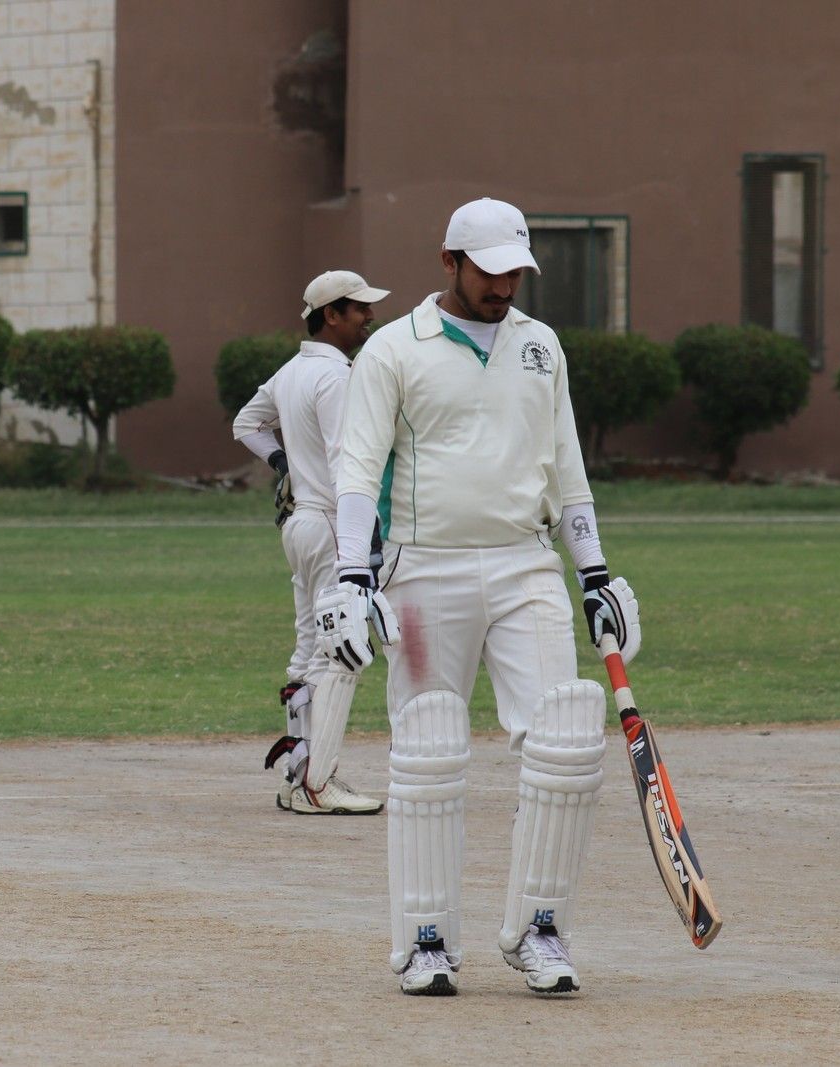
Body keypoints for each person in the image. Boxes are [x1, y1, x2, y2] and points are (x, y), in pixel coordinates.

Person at [313, 198, 641, 997]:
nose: (503, 286)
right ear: (449, 261)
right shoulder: (395, 348)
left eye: (514, 272)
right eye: (488, 271)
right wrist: (352, 575)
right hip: (424, 570)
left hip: (528, 565)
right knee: (428, 745)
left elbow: (567, 467)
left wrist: (595, 571)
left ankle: (541, 930)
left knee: (566, 741)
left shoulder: (540, 345)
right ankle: (424, 942)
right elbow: (358, 470)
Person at [233, 270, 391, 816]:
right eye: (359, 309)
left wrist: (284, 463)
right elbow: (349, 461)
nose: (369, 317)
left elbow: (246, 424)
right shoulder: (337, 376)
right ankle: (317, 783)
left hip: (301, 525)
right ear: (331, 315)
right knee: (341, 649)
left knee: (309, 651)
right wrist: (364, 533)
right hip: (331, 524)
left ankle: (299, 777)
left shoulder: (292, 370)